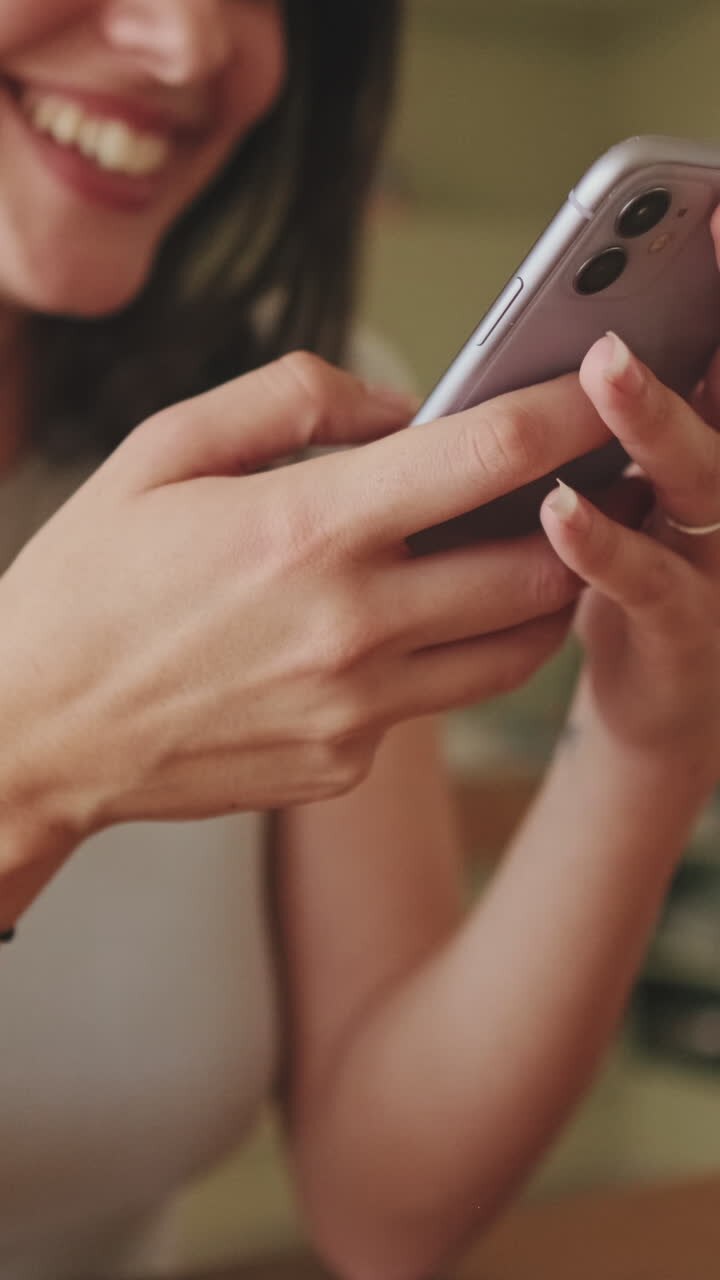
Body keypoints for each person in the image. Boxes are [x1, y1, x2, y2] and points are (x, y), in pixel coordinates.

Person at [0, 3, 719, 1278]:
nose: (191, 43)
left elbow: (387, 1206)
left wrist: (651, 733)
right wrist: (28, 758)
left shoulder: (292, 423)